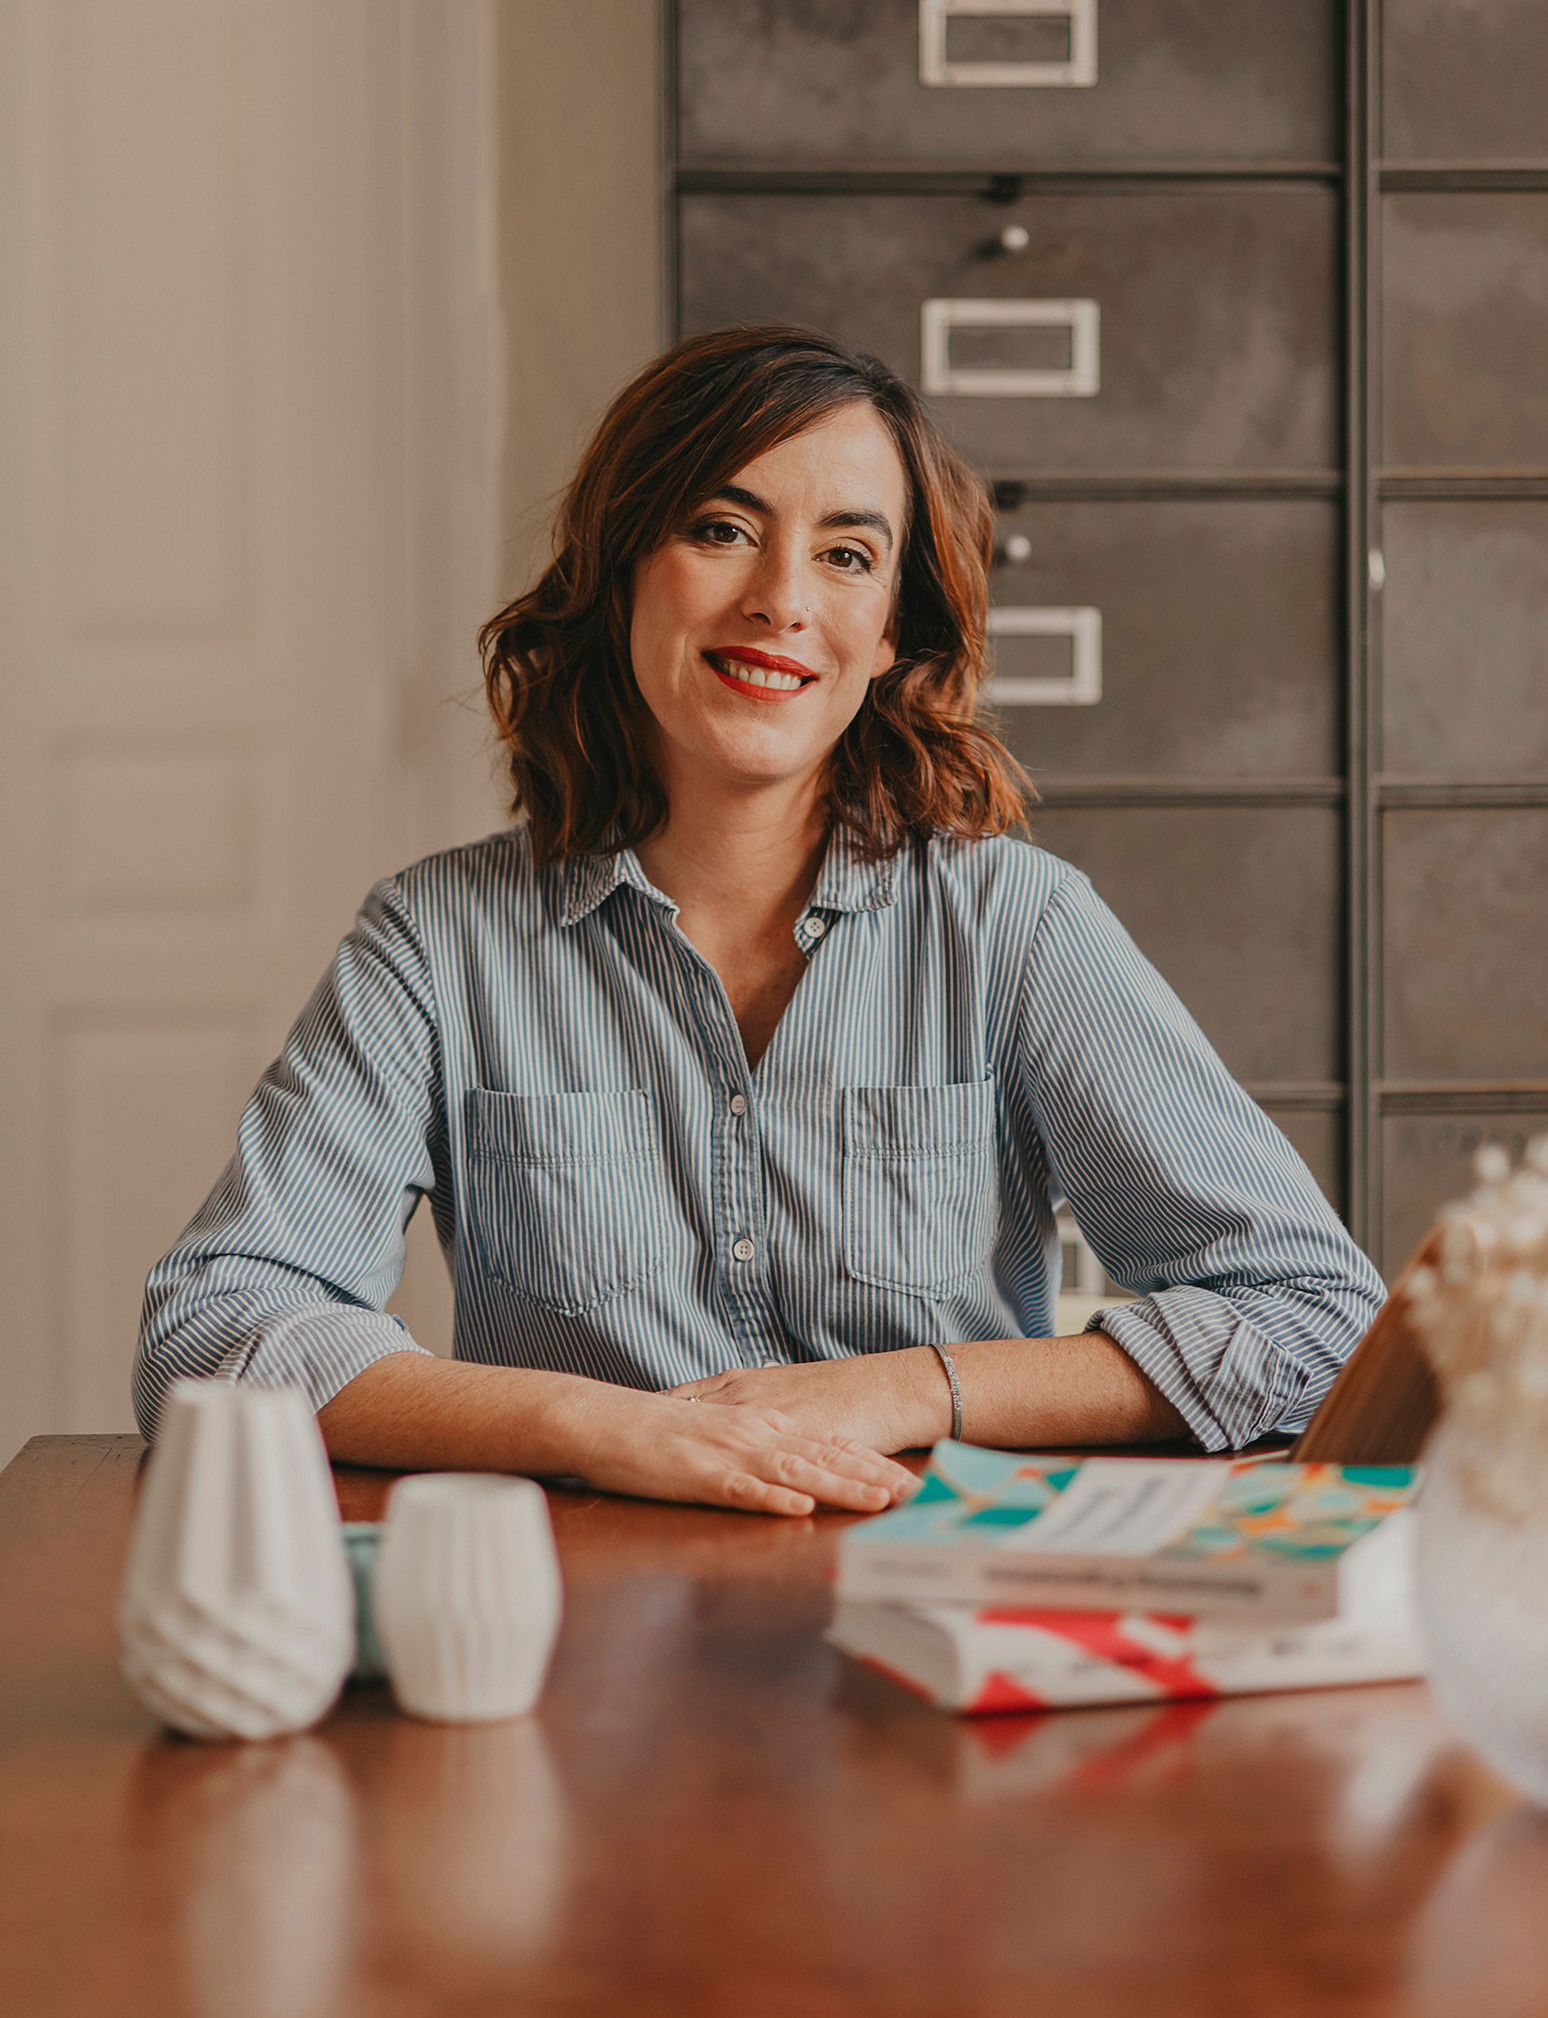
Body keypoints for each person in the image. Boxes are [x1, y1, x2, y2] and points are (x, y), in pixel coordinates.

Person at [135, 325, 1384, 1517]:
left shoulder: (1014, 925)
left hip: (926, 1626)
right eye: (722, 528)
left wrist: (902, 1389)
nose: (782, 599)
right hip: (586, 1631)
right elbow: (213, 1325)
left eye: (846, 553)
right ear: (625, 567)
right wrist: (604, 1426)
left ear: (892, 630)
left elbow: (1314, 1316)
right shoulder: (436, 940)